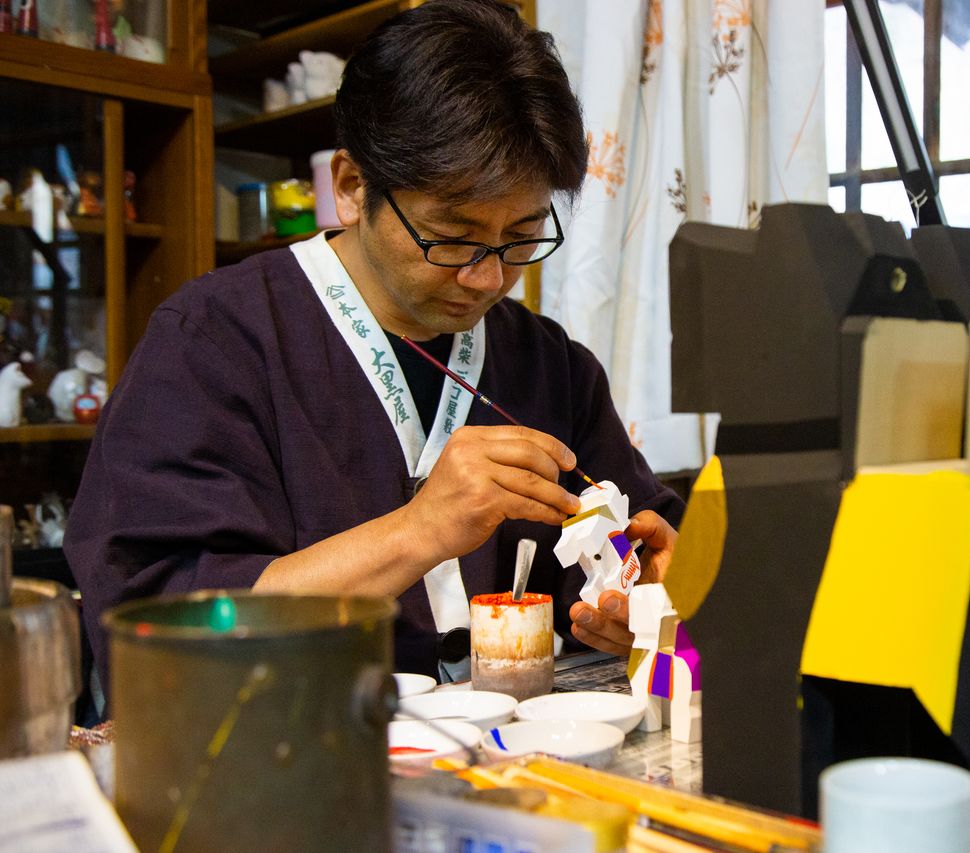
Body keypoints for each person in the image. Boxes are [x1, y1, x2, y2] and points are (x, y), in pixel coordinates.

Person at [64, 0, 683, 701]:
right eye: (451, 237)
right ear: (353, 188)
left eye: (520, 237)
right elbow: (161, 627)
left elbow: (645, 541)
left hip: (519, 745)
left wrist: (644, 598)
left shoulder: (548, 364)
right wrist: (418, 530)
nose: (487, 278)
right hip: (299, 742)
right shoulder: (213, 342)